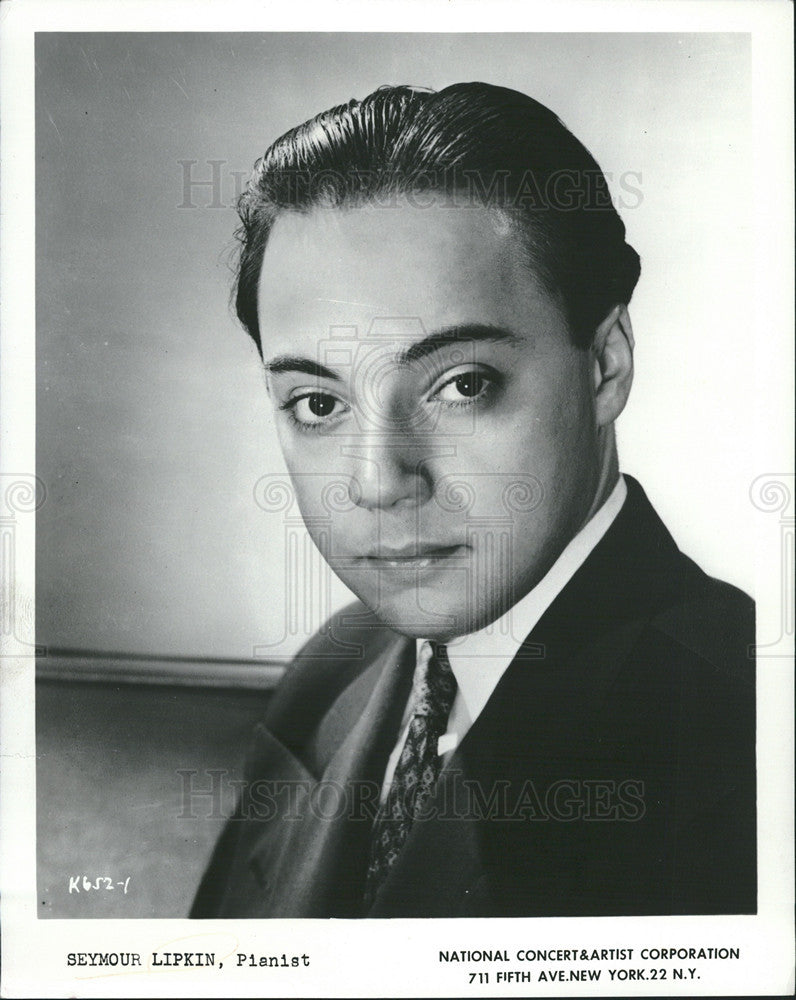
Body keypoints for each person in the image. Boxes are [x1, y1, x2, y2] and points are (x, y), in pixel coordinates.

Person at [191, 82, 756, 918]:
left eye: (463, 385)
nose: (380, 482)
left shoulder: (741, 727)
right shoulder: (331, 671)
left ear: (605, 365)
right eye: (319, 404)